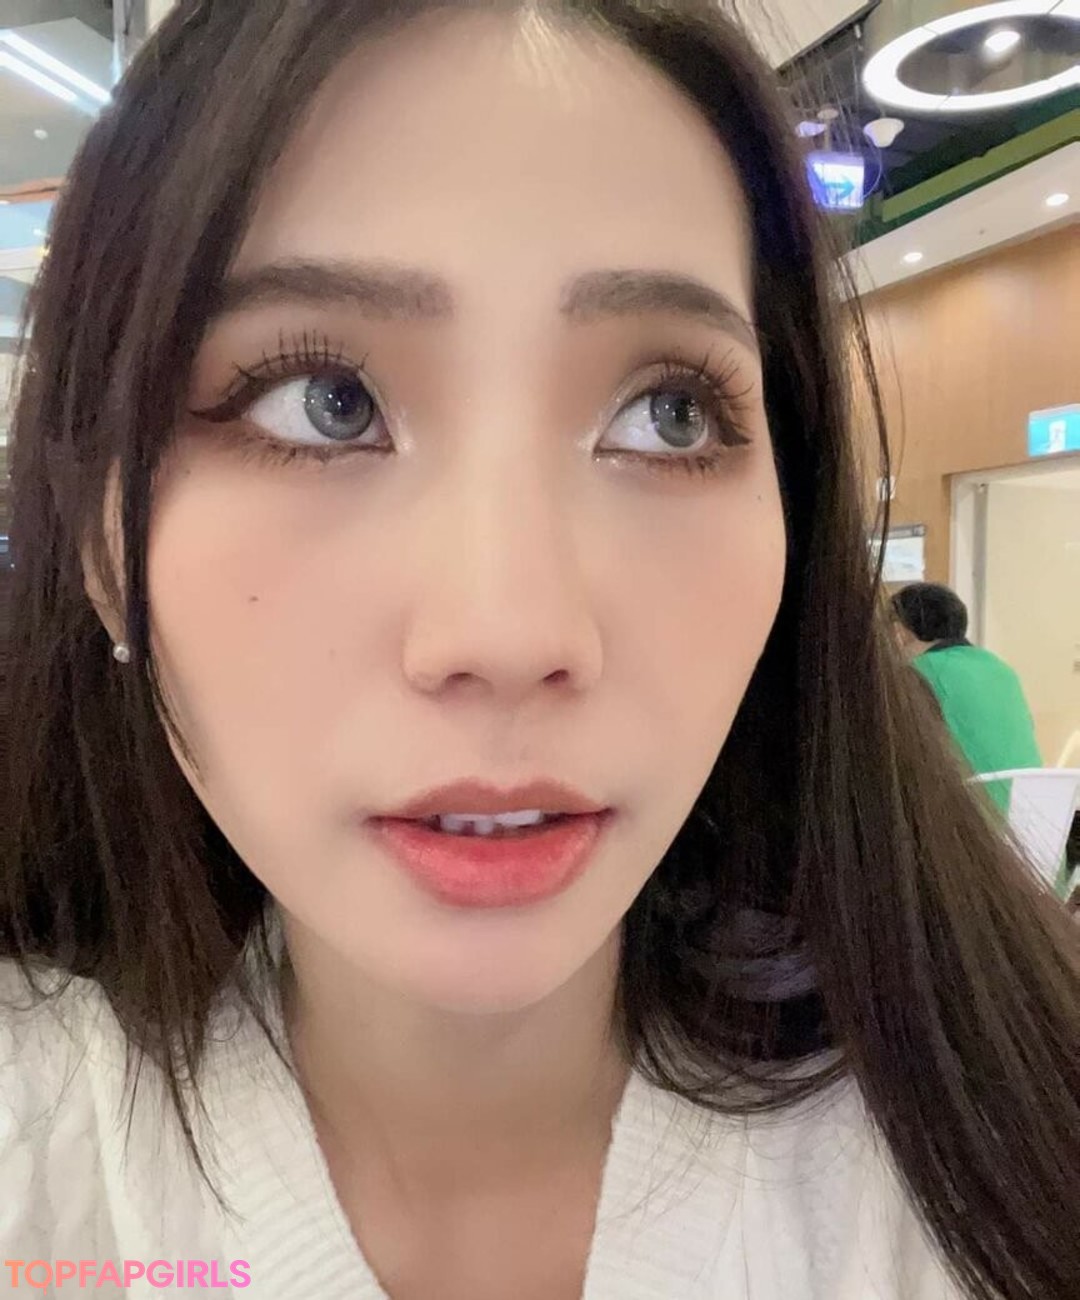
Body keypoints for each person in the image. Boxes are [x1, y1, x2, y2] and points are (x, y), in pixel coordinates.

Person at [1, 4, 1077, 1299]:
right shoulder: (38, 1169)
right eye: (327, 404)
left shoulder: (998, 1167)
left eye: (669, 414)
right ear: (106, 546)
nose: (511, 634)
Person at [891, 582, 1042, 801]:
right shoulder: (1000, 669)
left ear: (899, 632)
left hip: (969, 814)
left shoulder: (917, 673)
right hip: (1031, 812)